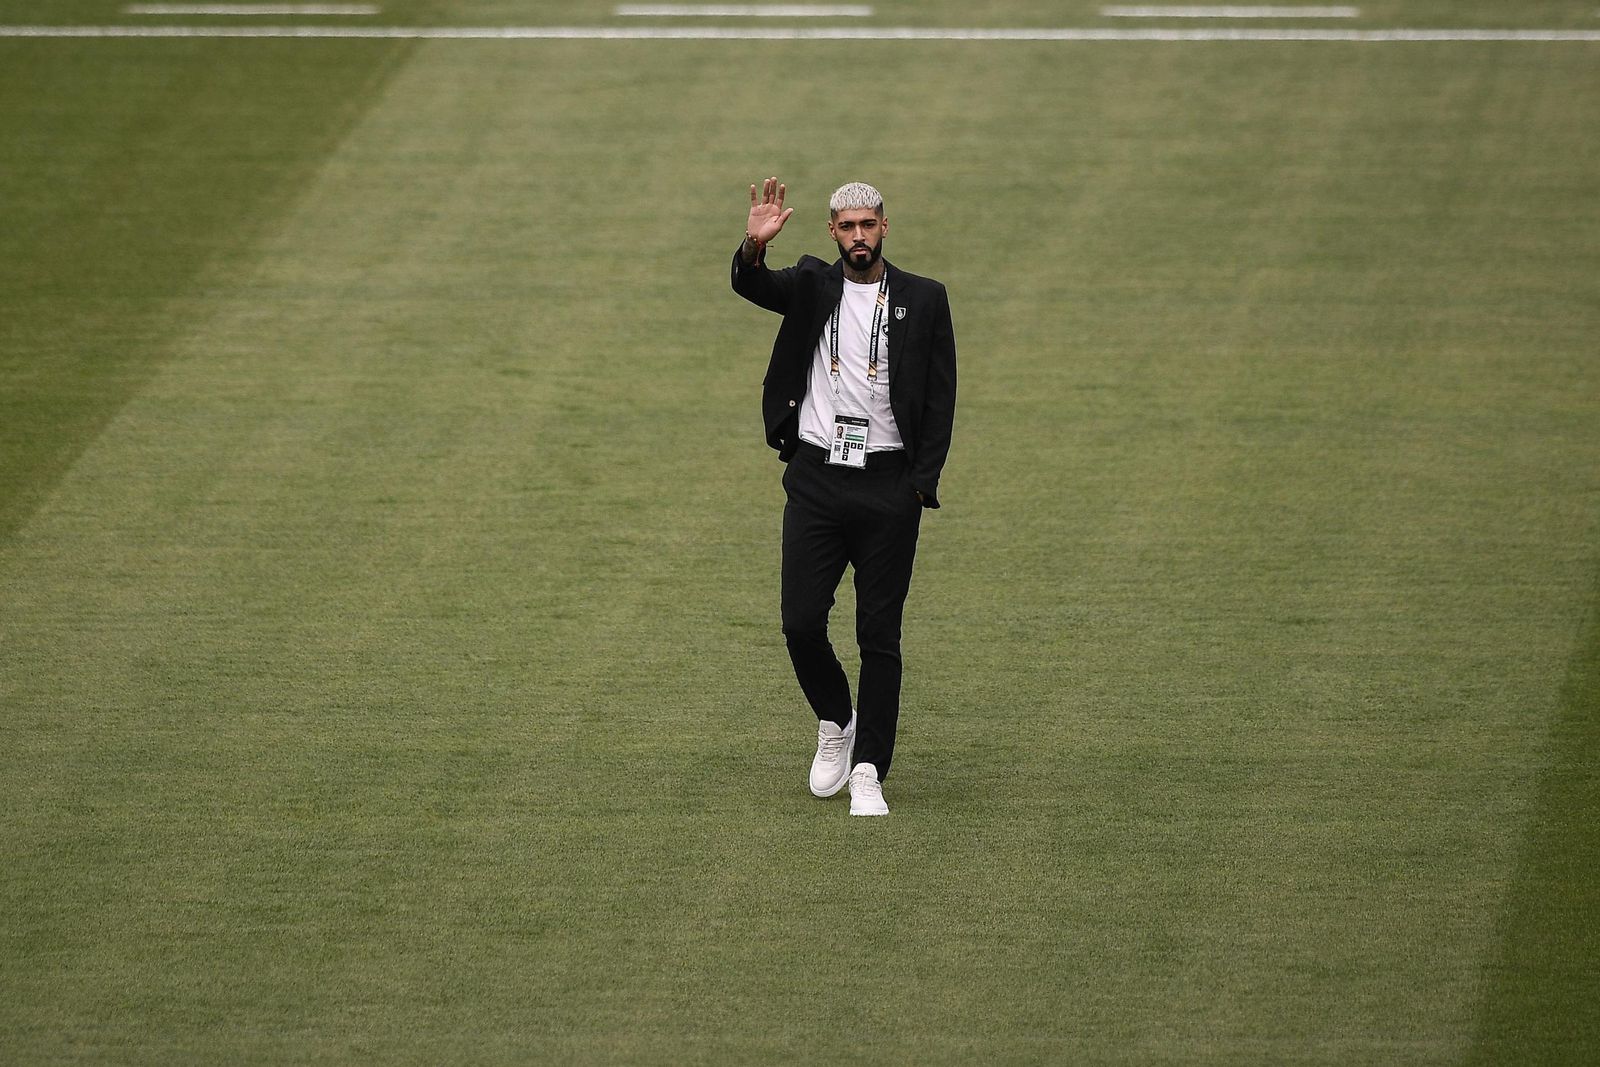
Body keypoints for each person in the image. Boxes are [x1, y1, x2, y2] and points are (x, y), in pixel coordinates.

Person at [730, 177, 957, 816]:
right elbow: (750, 284)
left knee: (878, 633)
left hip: (889, 487)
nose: (859, 237)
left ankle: (868, 770)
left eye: (869, 225)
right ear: (832, 232)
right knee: (800, 621)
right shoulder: (809, 285)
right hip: (817, 480)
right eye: (847, 227)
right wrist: (754, 244)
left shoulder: (925, 299)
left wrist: (920, 486)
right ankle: (836, 718)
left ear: (885, 226)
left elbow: (941, 400)